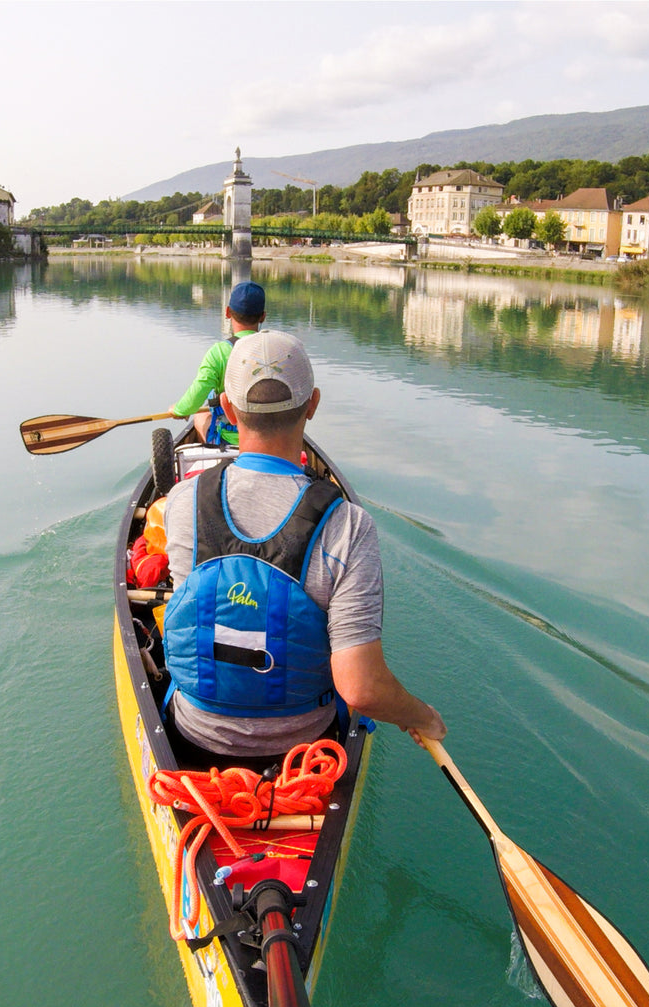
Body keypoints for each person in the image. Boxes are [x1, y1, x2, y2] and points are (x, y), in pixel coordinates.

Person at [162, 329, 446, 761]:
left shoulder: (182, 503)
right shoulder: (348, 526)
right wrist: (420, 715)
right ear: (312, 404)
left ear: (228, 410)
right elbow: (361, 690)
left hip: (191, 740)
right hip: (305, 758)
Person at [169, 280, 266, 444]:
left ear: (227, 312)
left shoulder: (219, 352)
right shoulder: (275, 349)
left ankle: (213, 453)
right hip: (271, 437)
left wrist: (180, 409)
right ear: (263, 316)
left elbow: (200, 390)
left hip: (231, 438)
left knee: (200, 415)